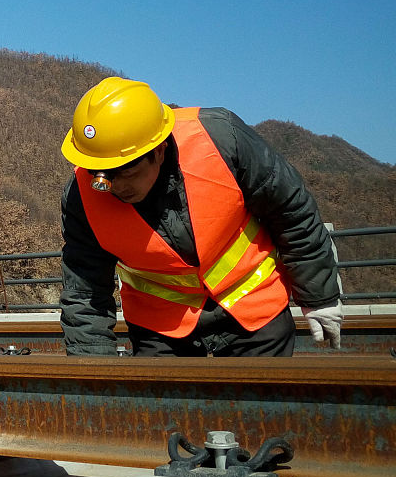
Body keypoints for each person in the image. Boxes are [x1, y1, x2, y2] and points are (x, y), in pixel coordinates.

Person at [58, 77, 343, 357]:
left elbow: (291, 213)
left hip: (255, 308)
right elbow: (85, 291)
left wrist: (319, 297)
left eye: (126, 173)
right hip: (161, 327)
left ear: (159, 151)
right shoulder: (81, 197)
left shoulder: (219, 139)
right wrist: (95, 371)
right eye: (100, 174)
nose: (113, 186)